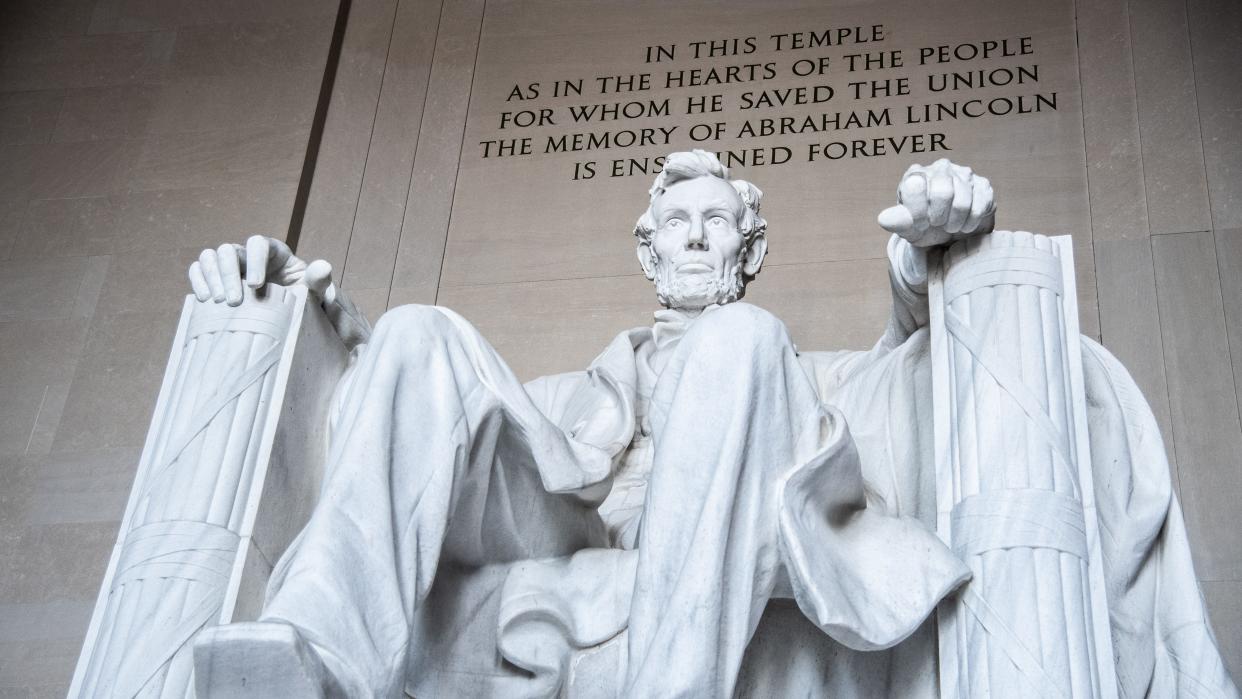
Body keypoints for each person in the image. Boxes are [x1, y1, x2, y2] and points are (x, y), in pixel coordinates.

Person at [189, 153, 1237, 698]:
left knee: (740, 344)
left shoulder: (785, 362)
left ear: (750, 246)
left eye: (717, 224)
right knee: (418, 332)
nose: (695, 240)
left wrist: (932, 264)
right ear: (649, 254)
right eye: (676, 226)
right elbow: (397, 442)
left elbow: (904, 382)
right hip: (573, 534)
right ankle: (312, 654)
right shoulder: (565, 395)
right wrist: (317, 327)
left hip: (751, 549)